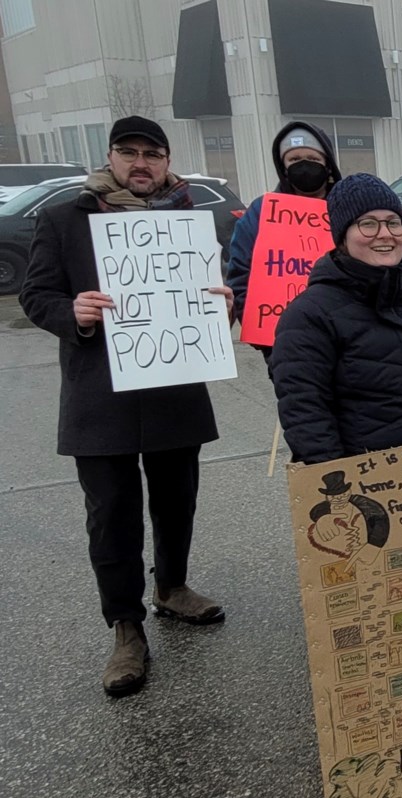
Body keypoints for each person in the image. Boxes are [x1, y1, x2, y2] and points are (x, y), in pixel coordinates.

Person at [19, 116, 232, 697]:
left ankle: (172, 588)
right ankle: (126, 628)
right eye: (129, 152)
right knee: (110, 514)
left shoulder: (187, 222)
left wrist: (222, 303)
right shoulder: (65, 218)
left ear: (166, 161)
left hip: (174, 387)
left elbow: (209, 292)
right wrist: (73, 313)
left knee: (176, 500)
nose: (141, 163)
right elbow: (35, 295)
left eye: (152, 154)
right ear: (111, 157)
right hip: (101, 396)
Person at [271, 173, 402, 465]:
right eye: (368, 224)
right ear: (342, 236)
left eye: (393, 222)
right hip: (370, 488)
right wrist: (340, 489)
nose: (385, 234)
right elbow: (306, 417)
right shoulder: (308, 316)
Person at [225, 122, 343, 359]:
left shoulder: (349, 205)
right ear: (283, 167)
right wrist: (263, 333)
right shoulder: (260, 213)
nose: (304, 165)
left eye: (312, 158)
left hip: (349, 338)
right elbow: (241, 277)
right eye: (295, 159)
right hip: (286, 344)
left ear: (328, 164)